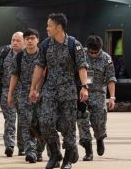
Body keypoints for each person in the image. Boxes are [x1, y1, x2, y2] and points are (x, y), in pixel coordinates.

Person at [29, 13, 89, 169]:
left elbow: (82, 67)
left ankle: (68, 159)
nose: (47, 28)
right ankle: (55, 153)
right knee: (45, 122)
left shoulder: (73, 45)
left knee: (68, 126)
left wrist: (84, 87)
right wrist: (33, 88)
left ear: (59, 27)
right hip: (49, 91)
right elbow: (39, 67)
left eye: (49, 25)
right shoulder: (45, 45)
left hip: (68, 92)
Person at [8, 28, 45, 163]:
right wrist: (10, 94)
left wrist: (38, 90)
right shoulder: (18, 57)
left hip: (41, 95)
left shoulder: (44, 55)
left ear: (37, 40)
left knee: (41, 124)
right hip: (23, 94)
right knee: (25, 123)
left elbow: (46, 75)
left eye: (33, 38)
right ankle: (30, 151)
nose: (30, 41)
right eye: (27, 38)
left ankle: (39, 150)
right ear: (25, 41)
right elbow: (14, 76)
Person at [77, 35, 116, 161]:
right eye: (91, 52)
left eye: (96, 52)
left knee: (99, 122)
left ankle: (99, 138)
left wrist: (112, 97)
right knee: (82, 122)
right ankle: (88, 150)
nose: (93, 54)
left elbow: (111, 79)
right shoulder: (81, 54)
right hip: (83, 93)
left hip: (99, 94)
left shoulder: (106, 59)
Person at [0, 31, 25, 157]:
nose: (14, 43)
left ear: (24, 42)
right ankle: (9, 145)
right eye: (13, 40)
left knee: (23, 120)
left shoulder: (28, 54)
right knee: (10, 119)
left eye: (18, 40)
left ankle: (22, 146)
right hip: (6, 90)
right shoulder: (5, 52)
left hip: (23, 92)